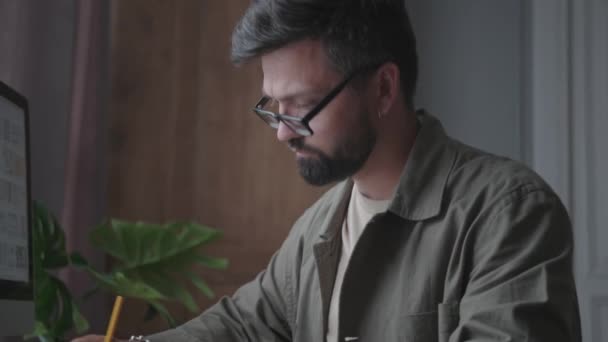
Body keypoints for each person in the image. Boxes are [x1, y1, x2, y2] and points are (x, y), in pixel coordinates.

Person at [75, 0, 581, 341]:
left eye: (301, 106)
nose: (282, 132)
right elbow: (244, 325)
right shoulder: (319, 226)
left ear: (384, 89)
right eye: (273, 106)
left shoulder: (508, 213)